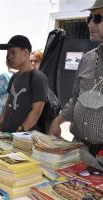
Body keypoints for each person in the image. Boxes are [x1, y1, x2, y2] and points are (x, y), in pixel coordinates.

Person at [49, 0, 103, 170]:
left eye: (98, 18)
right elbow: (76, 98)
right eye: (90, 17)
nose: (90, 23)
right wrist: (58, 121)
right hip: (79, 149)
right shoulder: (87, 58)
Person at [0, 35, 48, 132]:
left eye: (13, 52)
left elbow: (36, 111)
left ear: (26, 53)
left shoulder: (38, 78)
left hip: (22, 138)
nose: (9, 57)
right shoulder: (15, 76)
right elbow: (8, 103)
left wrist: (19, 132)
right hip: (6, 133)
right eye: (8, 54)